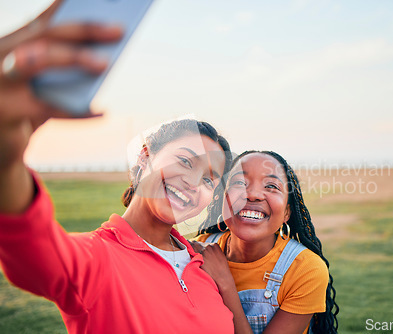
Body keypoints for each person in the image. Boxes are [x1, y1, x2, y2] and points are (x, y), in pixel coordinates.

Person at [0, 2, 234, 333]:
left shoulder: (205, 265)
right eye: (184, 160)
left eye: (210, 179)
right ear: (145, 157)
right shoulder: (97, 258)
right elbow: (32, 252)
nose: (194, 182)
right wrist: (5, 162)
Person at [194, 150, 339, 334]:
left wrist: (224, 282)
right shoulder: (195, 251)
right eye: (239, 182)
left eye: (271, 186)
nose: (253, 194)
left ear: (287, 212)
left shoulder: (305, 269)